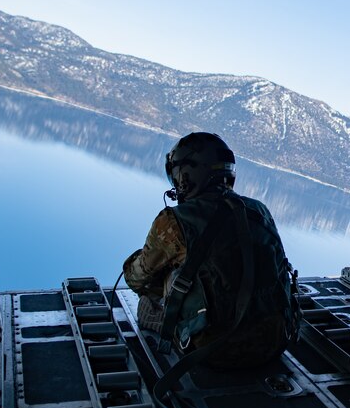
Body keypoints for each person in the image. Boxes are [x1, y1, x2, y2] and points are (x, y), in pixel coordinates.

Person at [123, 132, 299, 369]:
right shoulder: (260, 211)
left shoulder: (174, 221)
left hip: (213, 350)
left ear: (186, 175)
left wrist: (143, 259)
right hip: (275, 342)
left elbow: (136, 279)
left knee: (148, 301)